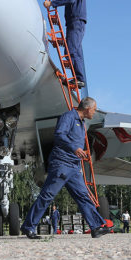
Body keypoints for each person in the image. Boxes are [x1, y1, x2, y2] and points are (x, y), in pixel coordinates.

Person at [21, 97, 111, 239]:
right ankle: (28, 227)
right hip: (61, 164)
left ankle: (96, 227)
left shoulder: (81, 123)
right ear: (87, 108)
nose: (94, 112)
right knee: (47, 196)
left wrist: (83, 153)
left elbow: (74, 142)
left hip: (74, 167)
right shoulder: (68, 116)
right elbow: (59, 135)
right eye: (94, 109)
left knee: (83, 196)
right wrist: (74, 147)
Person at [43, 0, 88, 88]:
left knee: (71, 49)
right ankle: (78, 78)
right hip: (74, 21)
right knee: (76, 50)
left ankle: (78, 78)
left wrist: (52, 3)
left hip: (76, 21)